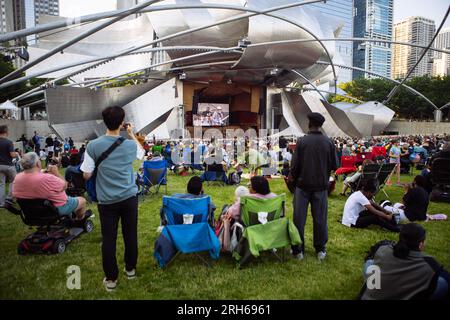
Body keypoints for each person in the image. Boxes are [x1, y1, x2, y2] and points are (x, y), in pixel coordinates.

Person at [80, 106, 144, 292]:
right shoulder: (129, 144)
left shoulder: (93, 145)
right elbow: (141, 153)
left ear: (104, 122)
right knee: (130, 234)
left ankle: (111, 279)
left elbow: (86, 174)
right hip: (129, 197)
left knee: (109, 239)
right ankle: (130, 269)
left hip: (107, 200)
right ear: (122, 122)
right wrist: (131, 133)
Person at [289, 113, 338, 261]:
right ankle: (320, 249)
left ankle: (298, 250)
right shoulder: (328, 142)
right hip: (321, 186)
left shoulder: (302, 142)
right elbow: (335, 165)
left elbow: (295, 166)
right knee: (320, 219)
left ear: (309, 124)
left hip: (302, 187)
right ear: (321, 125)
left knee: (299, 219)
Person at [361, 223, 449, 300]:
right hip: (406, 292)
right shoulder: (429, 263)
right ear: (421, 244)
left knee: (369, 263)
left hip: (371, 295)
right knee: (442, 282)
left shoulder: (383, 249)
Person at [12, 152, 87, 219]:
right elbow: (65, 186)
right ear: (37, 163)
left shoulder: (17, 177)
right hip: (56, 208)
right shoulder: (47, 178)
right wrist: (56, 174)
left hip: (31, 212)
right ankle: (79, 220)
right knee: (82, 200)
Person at [0, 126, 18, 208]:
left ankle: (1, 203)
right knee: (14, 182)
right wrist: (17, 154)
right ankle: (9, 199)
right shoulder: (9, 142)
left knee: (1, 184)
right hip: (8, 165)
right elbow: (12, 155)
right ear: (5, 132)